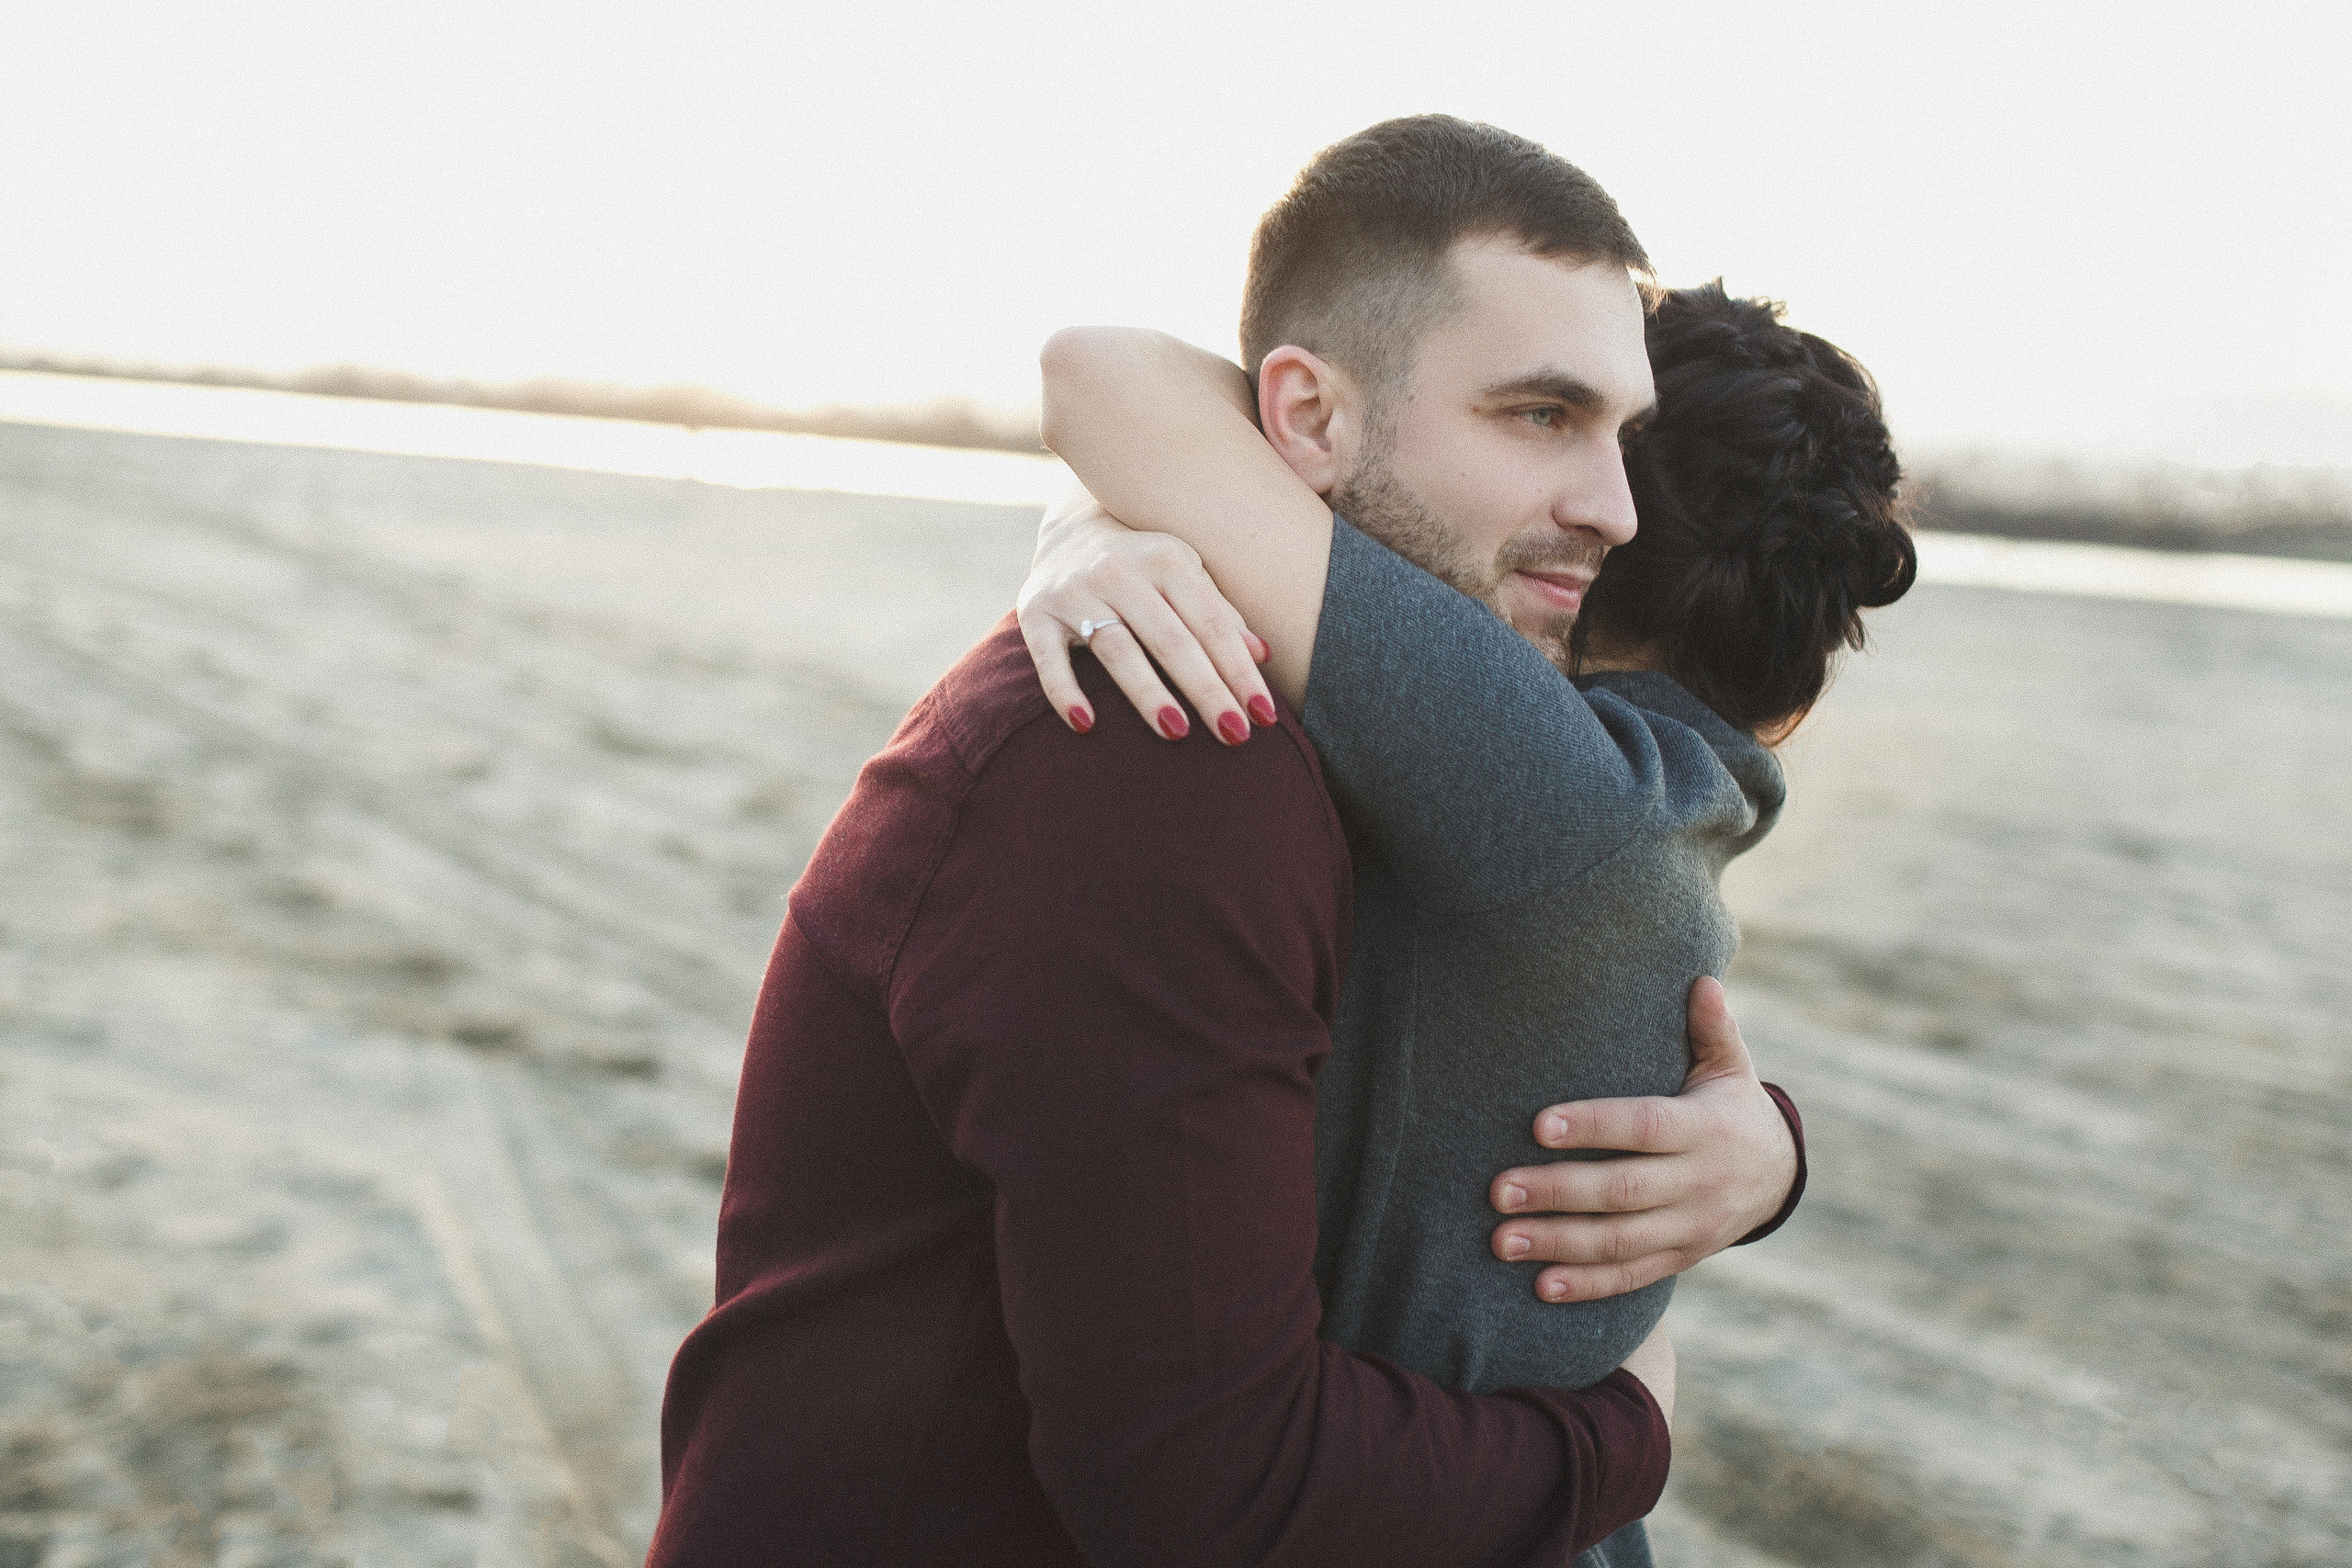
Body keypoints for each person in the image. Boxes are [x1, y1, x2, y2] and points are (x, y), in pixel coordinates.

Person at [648, 117, 1811, 1568]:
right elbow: (1213, 1494)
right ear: (1307, 422)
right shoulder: (1163, 754)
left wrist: (1767, 1145)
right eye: (1537, 415)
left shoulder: (1384, 749)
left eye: (1621, 436)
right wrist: (1622, 1436)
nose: (1615, 510)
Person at [1017, 257, 1912, 1568]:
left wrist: (1089, 524)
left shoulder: (1528, 766)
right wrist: (1090, 529)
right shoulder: (1678, 812)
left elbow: (1099, 372)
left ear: (1590, 546)